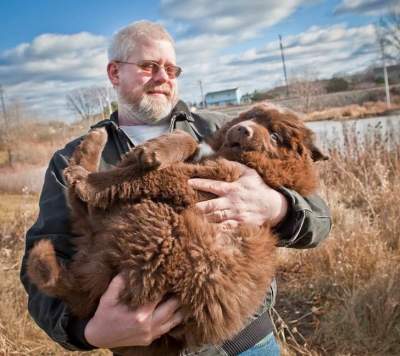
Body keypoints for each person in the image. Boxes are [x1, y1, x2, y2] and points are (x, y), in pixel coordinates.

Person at [20, 21, 331, 355]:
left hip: (245, 340)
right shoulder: (71, 158)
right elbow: (43, 258)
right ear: (114, 73)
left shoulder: (218, 129)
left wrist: (276, 206)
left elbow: (320, 219)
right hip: (147, 344)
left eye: (171, 69)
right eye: (149, 66)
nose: (163, 77)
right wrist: (89, 332)